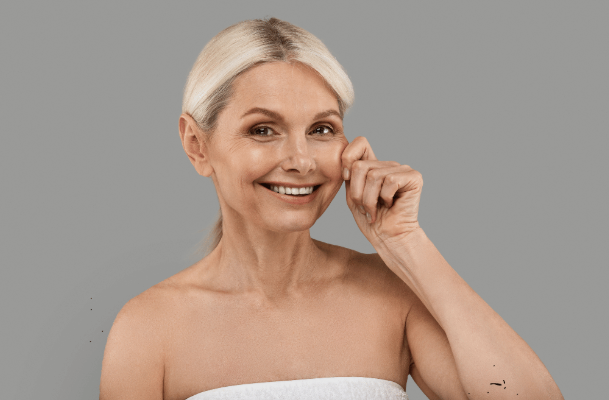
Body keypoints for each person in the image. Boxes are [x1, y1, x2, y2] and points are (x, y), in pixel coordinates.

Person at [99, 17, 564, 400]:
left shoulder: (392, 294)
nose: (301, 161)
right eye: (263, 130)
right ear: (197, 145)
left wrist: (407, 244)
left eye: (321, 130)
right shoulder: (149, 328)